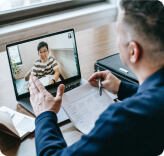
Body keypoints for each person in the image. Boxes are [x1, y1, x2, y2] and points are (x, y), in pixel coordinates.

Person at [29, 0, 164, 155]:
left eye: (118, 34)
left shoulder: (123, 120)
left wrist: (45, 114)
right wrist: (122, 87)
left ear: (133, 51)